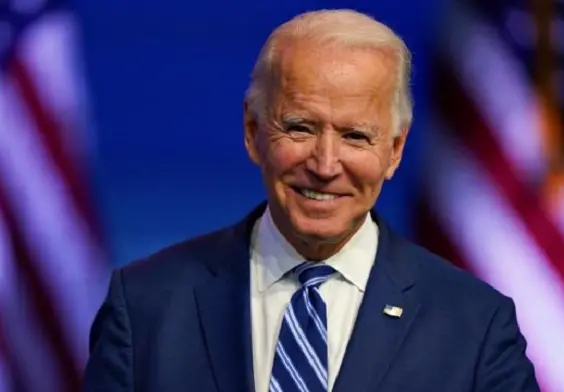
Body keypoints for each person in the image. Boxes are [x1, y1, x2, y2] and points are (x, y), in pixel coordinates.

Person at [83, 9, 540, 392]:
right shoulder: (146, 306)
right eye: (300, 127)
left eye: (355, 136)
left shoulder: (476, 326)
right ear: (252, 130)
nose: (325, 163)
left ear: (395, 150)